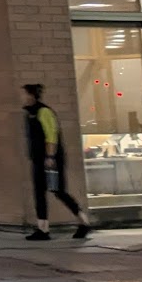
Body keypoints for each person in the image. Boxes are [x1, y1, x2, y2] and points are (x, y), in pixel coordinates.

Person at [22, 83, 93, 241]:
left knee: (59, 191)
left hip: (51, 160)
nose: (23, 98)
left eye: (25, 94)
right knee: (39, 193)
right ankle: (43, 229)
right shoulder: (30, 113)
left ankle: (84, 222)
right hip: (38, 160)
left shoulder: (44, 111)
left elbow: (51, 135)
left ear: (32, 96)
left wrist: (50, 157)